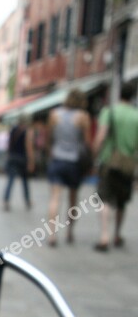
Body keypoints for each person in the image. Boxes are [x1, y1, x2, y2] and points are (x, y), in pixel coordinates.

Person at [93, 82, 138, 251]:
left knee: (104, 198)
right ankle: (117, 234)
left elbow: (101, 136)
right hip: (128, 164)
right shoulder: (136, 116)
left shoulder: (109, 112)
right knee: (121, 201)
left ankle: (104, 235)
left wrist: (94, 155)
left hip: (109, 162)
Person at [46, 89, 91, 246]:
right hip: (74, 162)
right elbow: (86, 142)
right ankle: (70, 232)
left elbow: (49, 138)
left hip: (57, 158)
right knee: (73, 199)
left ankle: (52, 235)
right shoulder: (83, 117)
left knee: (55, 198)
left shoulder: (54, 114)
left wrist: (51, 152)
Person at [3, 115, 35, 211]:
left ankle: (6, 200)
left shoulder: (13, 130)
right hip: (22, 158)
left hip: (12, 157)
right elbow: (29, 147)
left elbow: (9, 144)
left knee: (10, 180)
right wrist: (31, 161)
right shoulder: (28, 131)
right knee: (25, 181)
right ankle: (27, 200)